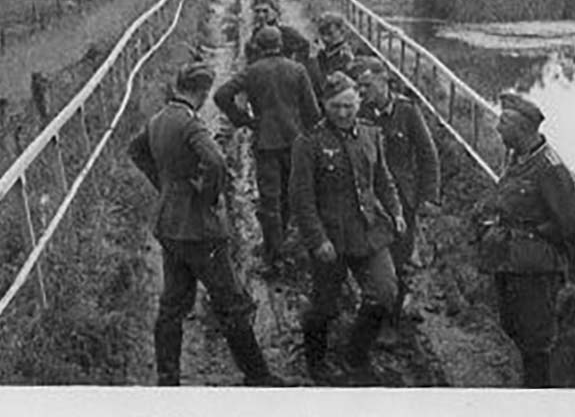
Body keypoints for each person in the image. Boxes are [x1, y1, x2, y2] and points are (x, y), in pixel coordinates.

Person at [127, 61, 284, 387]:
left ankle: (167, 380)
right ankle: (258, 376)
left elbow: (136, 150)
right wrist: (208, 196)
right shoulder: (190, 124)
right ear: (202, 91)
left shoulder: (158, 119)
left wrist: (165, 185)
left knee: (172, 305)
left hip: (170, 225)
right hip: (200, 230)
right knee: (231, 303)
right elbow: (216, 162)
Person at [289, 72, 407, 386]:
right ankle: (316, 362)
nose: (344, 113)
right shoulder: (309, 142)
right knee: (325, 306)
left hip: (368, 233)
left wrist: (395, 211)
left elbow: (383, 180)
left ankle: (356, 355)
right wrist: (317, 240)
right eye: (336, 107)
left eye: (350, 106)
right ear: (325, 106)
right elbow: (302, 199)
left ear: (358, 103)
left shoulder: (371, 133)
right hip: (331, 238)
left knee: (384, 292)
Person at [474, 91, 575, 388]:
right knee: (512, 327)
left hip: (536, 269)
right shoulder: (517, 157)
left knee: (536, 342)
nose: (497, 129)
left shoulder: (550, 169)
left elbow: (569, 226)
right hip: (508, 260)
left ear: (521, 129)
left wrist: (564, 270)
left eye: (503, 123)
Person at [215, 26, 321, 276]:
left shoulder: (252, 72)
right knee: (293, 193)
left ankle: (274, 254)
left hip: (265, 142)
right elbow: (313, 112)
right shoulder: (297, 70)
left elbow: (221, 95)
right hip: (295, 142)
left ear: (260, 47)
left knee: (270, 198)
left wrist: (243, 119)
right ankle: (291, 244)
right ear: (281, 44)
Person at [348, 56, 440, 325]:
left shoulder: (407, 112)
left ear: (384, 79)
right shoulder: (357, 113)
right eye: (358, 87)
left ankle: (393, 317)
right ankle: (372, 305)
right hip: (368, 199)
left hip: (402, 198)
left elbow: (427, 154)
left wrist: (429, 196)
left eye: (366, 84)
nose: (362, 92)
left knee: (400, 255)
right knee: (372, 254)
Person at [243, 0, 311, 66]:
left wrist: (294, 67)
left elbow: (304, 47)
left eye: (265, 11)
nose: (261, 15)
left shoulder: (287, 33)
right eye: (257, 11)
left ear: (275, 12)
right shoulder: (253, 38)